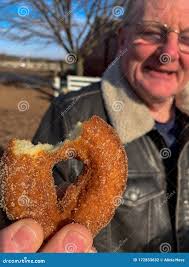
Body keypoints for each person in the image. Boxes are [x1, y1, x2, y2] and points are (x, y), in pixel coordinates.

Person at [1, 0, 189, 252]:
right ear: (123, 40)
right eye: (152, 32)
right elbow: (32, 218)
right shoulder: (70, 113)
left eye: (187, 38)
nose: (169, 53)